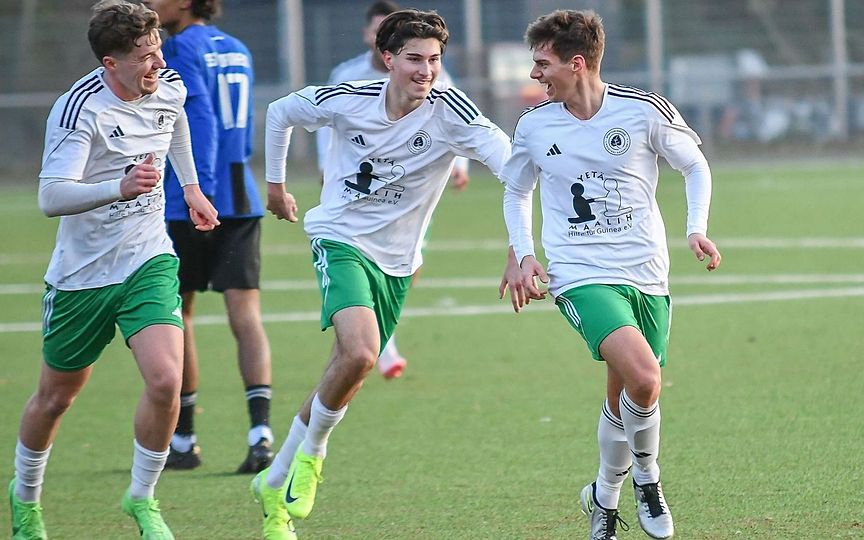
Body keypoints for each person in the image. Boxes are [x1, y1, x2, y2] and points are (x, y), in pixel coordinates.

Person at [249, 9, 512, 539]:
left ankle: (273, 485)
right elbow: (280, 112)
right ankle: (313, 457)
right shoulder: (348, 97)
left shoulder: (451, 110)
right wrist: (275, 187)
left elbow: (511, 165)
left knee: (348, 369)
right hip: (340, 238)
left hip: (398, 260)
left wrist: (521, 245)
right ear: (388, 59)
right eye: (414, 59)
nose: (426, 70)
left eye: (434, 60)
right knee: (362, 350)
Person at [499, 10, 721, 540]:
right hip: (578, 273)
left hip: (646, 272)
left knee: (625, 393)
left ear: (576, 64)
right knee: (645, 378)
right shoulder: (534, 125)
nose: (534, 74)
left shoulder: (642, 111)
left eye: (542, 63)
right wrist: (522, 253)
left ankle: (603, 497)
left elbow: (695, 165)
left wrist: (696, 228)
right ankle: (648, 479)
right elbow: (515, 189)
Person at [7, 1, 219, 538]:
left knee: (167, 379)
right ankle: (26, 498)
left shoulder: (166, 84)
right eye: (144, 59)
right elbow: (52, 197)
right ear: (110, 63)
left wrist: (190, 187)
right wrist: (119, 188)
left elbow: (175, 124)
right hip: (81, 274)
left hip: (147, 256)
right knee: (56, 398)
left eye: (158, 51)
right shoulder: (80, 109)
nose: (157, 66)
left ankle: (142, 498)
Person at [144, 0, 275, 474]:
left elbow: (198, 119)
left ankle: (184, 439)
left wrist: (200, 191)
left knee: (180, 313)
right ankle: (260, 435)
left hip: (194, 200)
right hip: (243, 194)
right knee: (247, 315)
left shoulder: (176, 48)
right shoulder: (236, 47)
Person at [315, 0, 471, 380]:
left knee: (409, 261)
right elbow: (323, 120)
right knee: (356, 282)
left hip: (411, 189)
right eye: (376, 27)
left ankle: (378, 333)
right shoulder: (346, 75)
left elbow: (460, 117)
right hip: (359, 192)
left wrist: (461, 165)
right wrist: (325, 166)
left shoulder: (430, 71)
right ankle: (377, 341)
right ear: (375, 39)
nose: (425, 68)